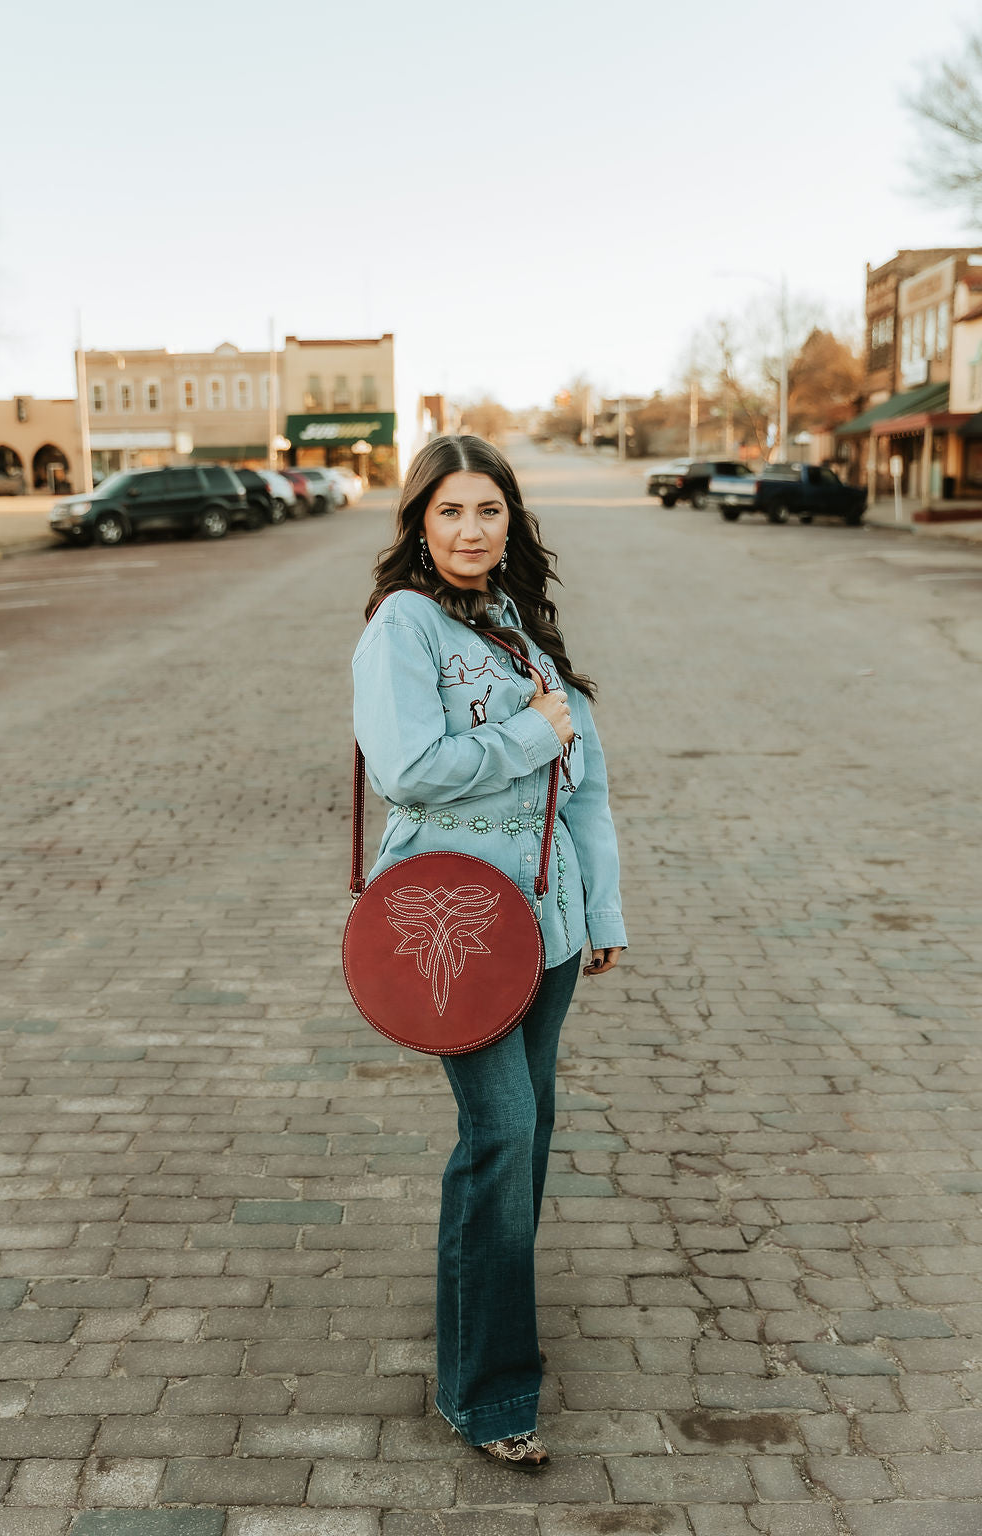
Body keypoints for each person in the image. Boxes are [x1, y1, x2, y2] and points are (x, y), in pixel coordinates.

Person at [352, 434, 626, 1469]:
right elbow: (412, 768)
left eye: (490, 512)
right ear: (420, 522)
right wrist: (531, 733)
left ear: (513, 523)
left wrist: (602, 915)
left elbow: (587, 784)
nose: (472, 531)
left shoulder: (520, 627)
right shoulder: (402, 629)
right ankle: (489, 1390)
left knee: (532, 1135)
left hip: (546, 924)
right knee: (499, 1134)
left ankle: (482, 1319)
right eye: (451, 512)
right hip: (451, 930)